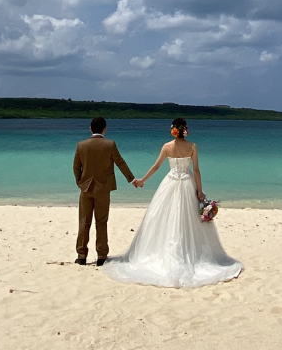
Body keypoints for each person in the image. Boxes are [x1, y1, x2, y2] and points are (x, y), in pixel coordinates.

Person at [101, 118, 242, 288]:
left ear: (173, 130)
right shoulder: (192, 146)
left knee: (165, 218)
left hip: (170, 183)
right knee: (187, 218)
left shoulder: (167, 147)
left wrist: (142, 180)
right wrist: (199, 190)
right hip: (187, 183)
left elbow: (156, 166)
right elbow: (196, 170)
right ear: (185, 130)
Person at [72, 116, 136, 266]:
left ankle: (81, 256)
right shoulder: (110, 144)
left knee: (84, 222)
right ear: (104, 129)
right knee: (101, 222)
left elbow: (76, 167)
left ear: (90, 129)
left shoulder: (81, 145)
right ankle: (101, 256)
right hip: (103, 189)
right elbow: (120, 162)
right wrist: (131, 179)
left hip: (86, 189)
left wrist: (80, 183)